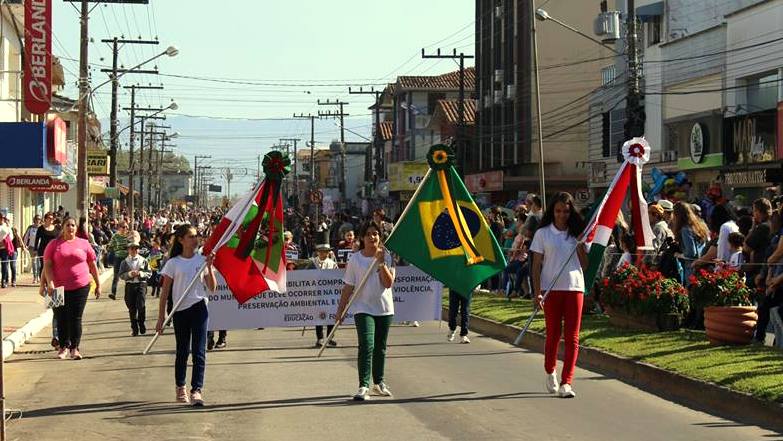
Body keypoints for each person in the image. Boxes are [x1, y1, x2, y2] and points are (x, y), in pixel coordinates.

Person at [530, 192, 588, 399]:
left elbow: (585, 265)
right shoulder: (543, 233)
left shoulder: (577, 233)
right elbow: (536, 266)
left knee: (572, 337)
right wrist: (537, 293)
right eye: (558, 211)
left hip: (574, 287)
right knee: (553, 334)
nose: (562, 215)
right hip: (550, 289)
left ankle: (567, 382)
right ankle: (550, 370)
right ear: (552, 211)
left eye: (566, 211)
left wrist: (581, 245)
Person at [156, 224, 217, 407]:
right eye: (190, 236)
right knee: (182, 351)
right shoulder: (173, 263)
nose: (195, 239)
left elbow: (212, 288)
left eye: (196, 236)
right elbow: (165, 292)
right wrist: (161, 318)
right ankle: (180, 386)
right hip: (180, 310)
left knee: (199, 351)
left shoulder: (202, 261)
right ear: (181, 240)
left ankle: (196, 390)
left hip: (199, 307)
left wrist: (210, 267)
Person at [336, 222, 395, 401]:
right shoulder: (355, 259)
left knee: (380, 347)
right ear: (362, 238)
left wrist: (380, 263)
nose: (372, 237)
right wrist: (341, 310)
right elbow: (348, 286)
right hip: (362, 308)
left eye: (375, 234)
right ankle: (363, 385)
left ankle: (379, 383)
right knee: (367, 344)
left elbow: (388, 283)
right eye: (368, 234)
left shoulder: (387, 256)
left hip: (384, 308)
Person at [42, 216, 101, 360]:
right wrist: (49, 283)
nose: (71, 228)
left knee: (75, 318)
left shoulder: (84, 243)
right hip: (56, 288)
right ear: (62, 227)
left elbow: (93, 265)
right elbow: (47, 265)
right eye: (68, 225)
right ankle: (63, 347)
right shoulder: (54, 244)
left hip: (80, 286)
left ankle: (74, 348)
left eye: (73, 225)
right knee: (60, 317)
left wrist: (98, 284)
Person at [119, 241, 152, 336]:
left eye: (136, 248)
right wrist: (129, 274)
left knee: (141, 305)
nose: (134, 250)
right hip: (130, 286)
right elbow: (121, 275)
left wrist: (140, 273)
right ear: (128, 250)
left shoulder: (143, 260)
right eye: (132, 248)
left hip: (141, 284)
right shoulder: (124, 262)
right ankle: (134, 328)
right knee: (131, 307)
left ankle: (141, 323)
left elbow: (149, 273)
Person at [671, 202, 708, 285]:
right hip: (702, 265)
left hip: (692, 268)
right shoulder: (699, 226)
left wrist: (679, 255)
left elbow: (691, 252)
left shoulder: (685, 229)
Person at [311, 243, 339, 347]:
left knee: (331, 316)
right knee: (319, 316)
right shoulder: (312, 262)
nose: (324, 253)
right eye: (322, 251)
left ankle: (330, 337)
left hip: (329, 293)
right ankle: (320, 338)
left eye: (326, 251)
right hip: (316, 293)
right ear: (317, 252)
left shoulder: (332, 263)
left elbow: (337, 276)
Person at [107, 222, 132, 300]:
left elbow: (133, 245)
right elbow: (110, 246)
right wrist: (115, 249)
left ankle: (128, 294)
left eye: (126, 227)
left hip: (127, 258)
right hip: (118, 258)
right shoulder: (115, 236)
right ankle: (113, 293)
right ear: (119, 228)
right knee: (116, 276)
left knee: (128, 276)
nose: (125, 229)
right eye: (123, 227)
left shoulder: (129, 236)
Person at [23, 215, 41, 284]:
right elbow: (26, 237)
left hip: (40, 247)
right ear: (34, 220)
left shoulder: (42, 228)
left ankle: (39, 276)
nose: (37, 220)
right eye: (36, 219)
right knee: (34, 262)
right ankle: (35, 277)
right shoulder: (31, 228)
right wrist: (24, 245)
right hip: (32, 247)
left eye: (39, 219)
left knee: (39, 263)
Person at [0, 215, 12, 288]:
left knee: (4, 265)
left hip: (4, 248)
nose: (1, 220)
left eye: (2, 219)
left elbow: (11, 237)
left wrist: (4, 241)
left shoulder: (6, 226)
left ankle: (4, 280)